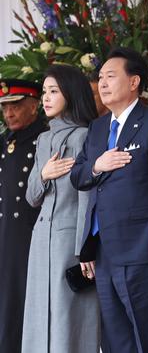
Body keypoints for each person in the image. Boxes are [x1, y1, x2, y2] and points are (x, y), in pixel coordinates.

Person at [70, 47, 148, 353]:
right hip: (104, 249)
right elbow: (78, 176)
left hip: (143, 247)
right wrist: (97, 165)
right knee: (116, 336)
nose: (102, 83)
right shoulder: (96, 128)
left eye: (110, 76)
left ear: (134, 82)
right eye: (100, 77)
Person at [22, 64, 100, 353]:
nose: (46, 97)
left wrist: (84, 248)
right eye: (44, 92)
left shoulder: (84, 136)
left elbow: (86, 199)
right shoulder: (43, 139)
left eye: (54, 91)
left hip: (69, 241)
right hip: (41, 240)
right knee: (40, 313)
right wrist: (44, 173)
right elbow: (32, 196)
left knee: (67, 316)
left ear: (71, 92)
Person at [0, 79, 48, 352]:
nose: (9, 114)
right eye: (5, 108)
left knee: (23, 306)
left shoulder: (44, 138)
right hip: (6, 236)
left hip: (29, 238)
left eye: (16, 106)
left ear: (34, 104)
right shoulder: (5, 141)